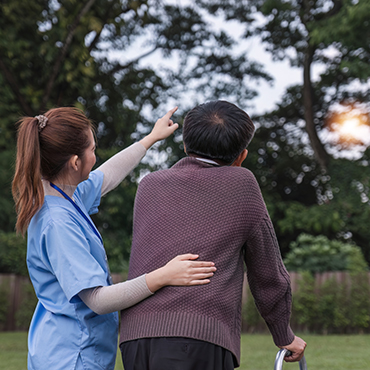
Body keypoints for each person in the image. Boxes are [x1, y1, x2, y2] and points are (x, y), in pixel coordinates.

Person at [11, 106, 217, 370]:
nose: (95, 157)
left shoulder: (63, 194)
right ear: (75, 162)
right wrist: (164, 276)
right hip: (71, 357)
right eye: (93, 150)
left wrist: (150, 139)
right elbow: (98, 300)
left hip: (70, 350)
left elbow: (106, 176)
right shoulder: (58, 223)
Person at [120, 100, 307, 369]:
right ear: (241, 156)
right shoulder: (241, 183)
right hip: (198, 337)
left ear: (185, 146)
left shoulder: (149, 184)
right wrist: (283, 333)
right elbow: (267, 271)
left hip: (135, 338)